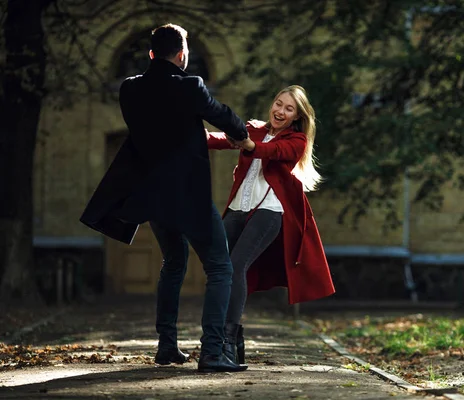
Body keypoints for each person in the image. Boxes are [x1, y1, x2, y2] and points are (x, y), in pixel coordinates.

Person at [80, 24, 248, 373]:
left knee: (173, 262)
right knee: (220, 267)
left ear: (152, 54)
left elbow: (155, 126)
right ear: (182, 54)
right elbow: (224, 116)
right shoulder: (191, 86)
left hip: (153, 198)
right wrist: (241, 134)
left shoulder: (129, 89)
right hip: (189, 196)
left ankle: (167, 346)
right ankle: (213, 352)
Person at [206, 85, 336, 364]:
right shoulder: (253, 129)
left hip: (269, 211)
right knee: (218, 265)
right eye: (279, 104)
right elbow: (221, 138)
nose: (281, 111)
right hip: (239, 207)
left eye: (289, 109)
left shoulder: (297, 140)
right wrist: (196, 136)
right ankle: (229, 338)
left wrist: (249, 144)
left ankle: (227, 341)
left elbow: (272, 151)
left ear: (296, 117)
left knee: (237, 264)